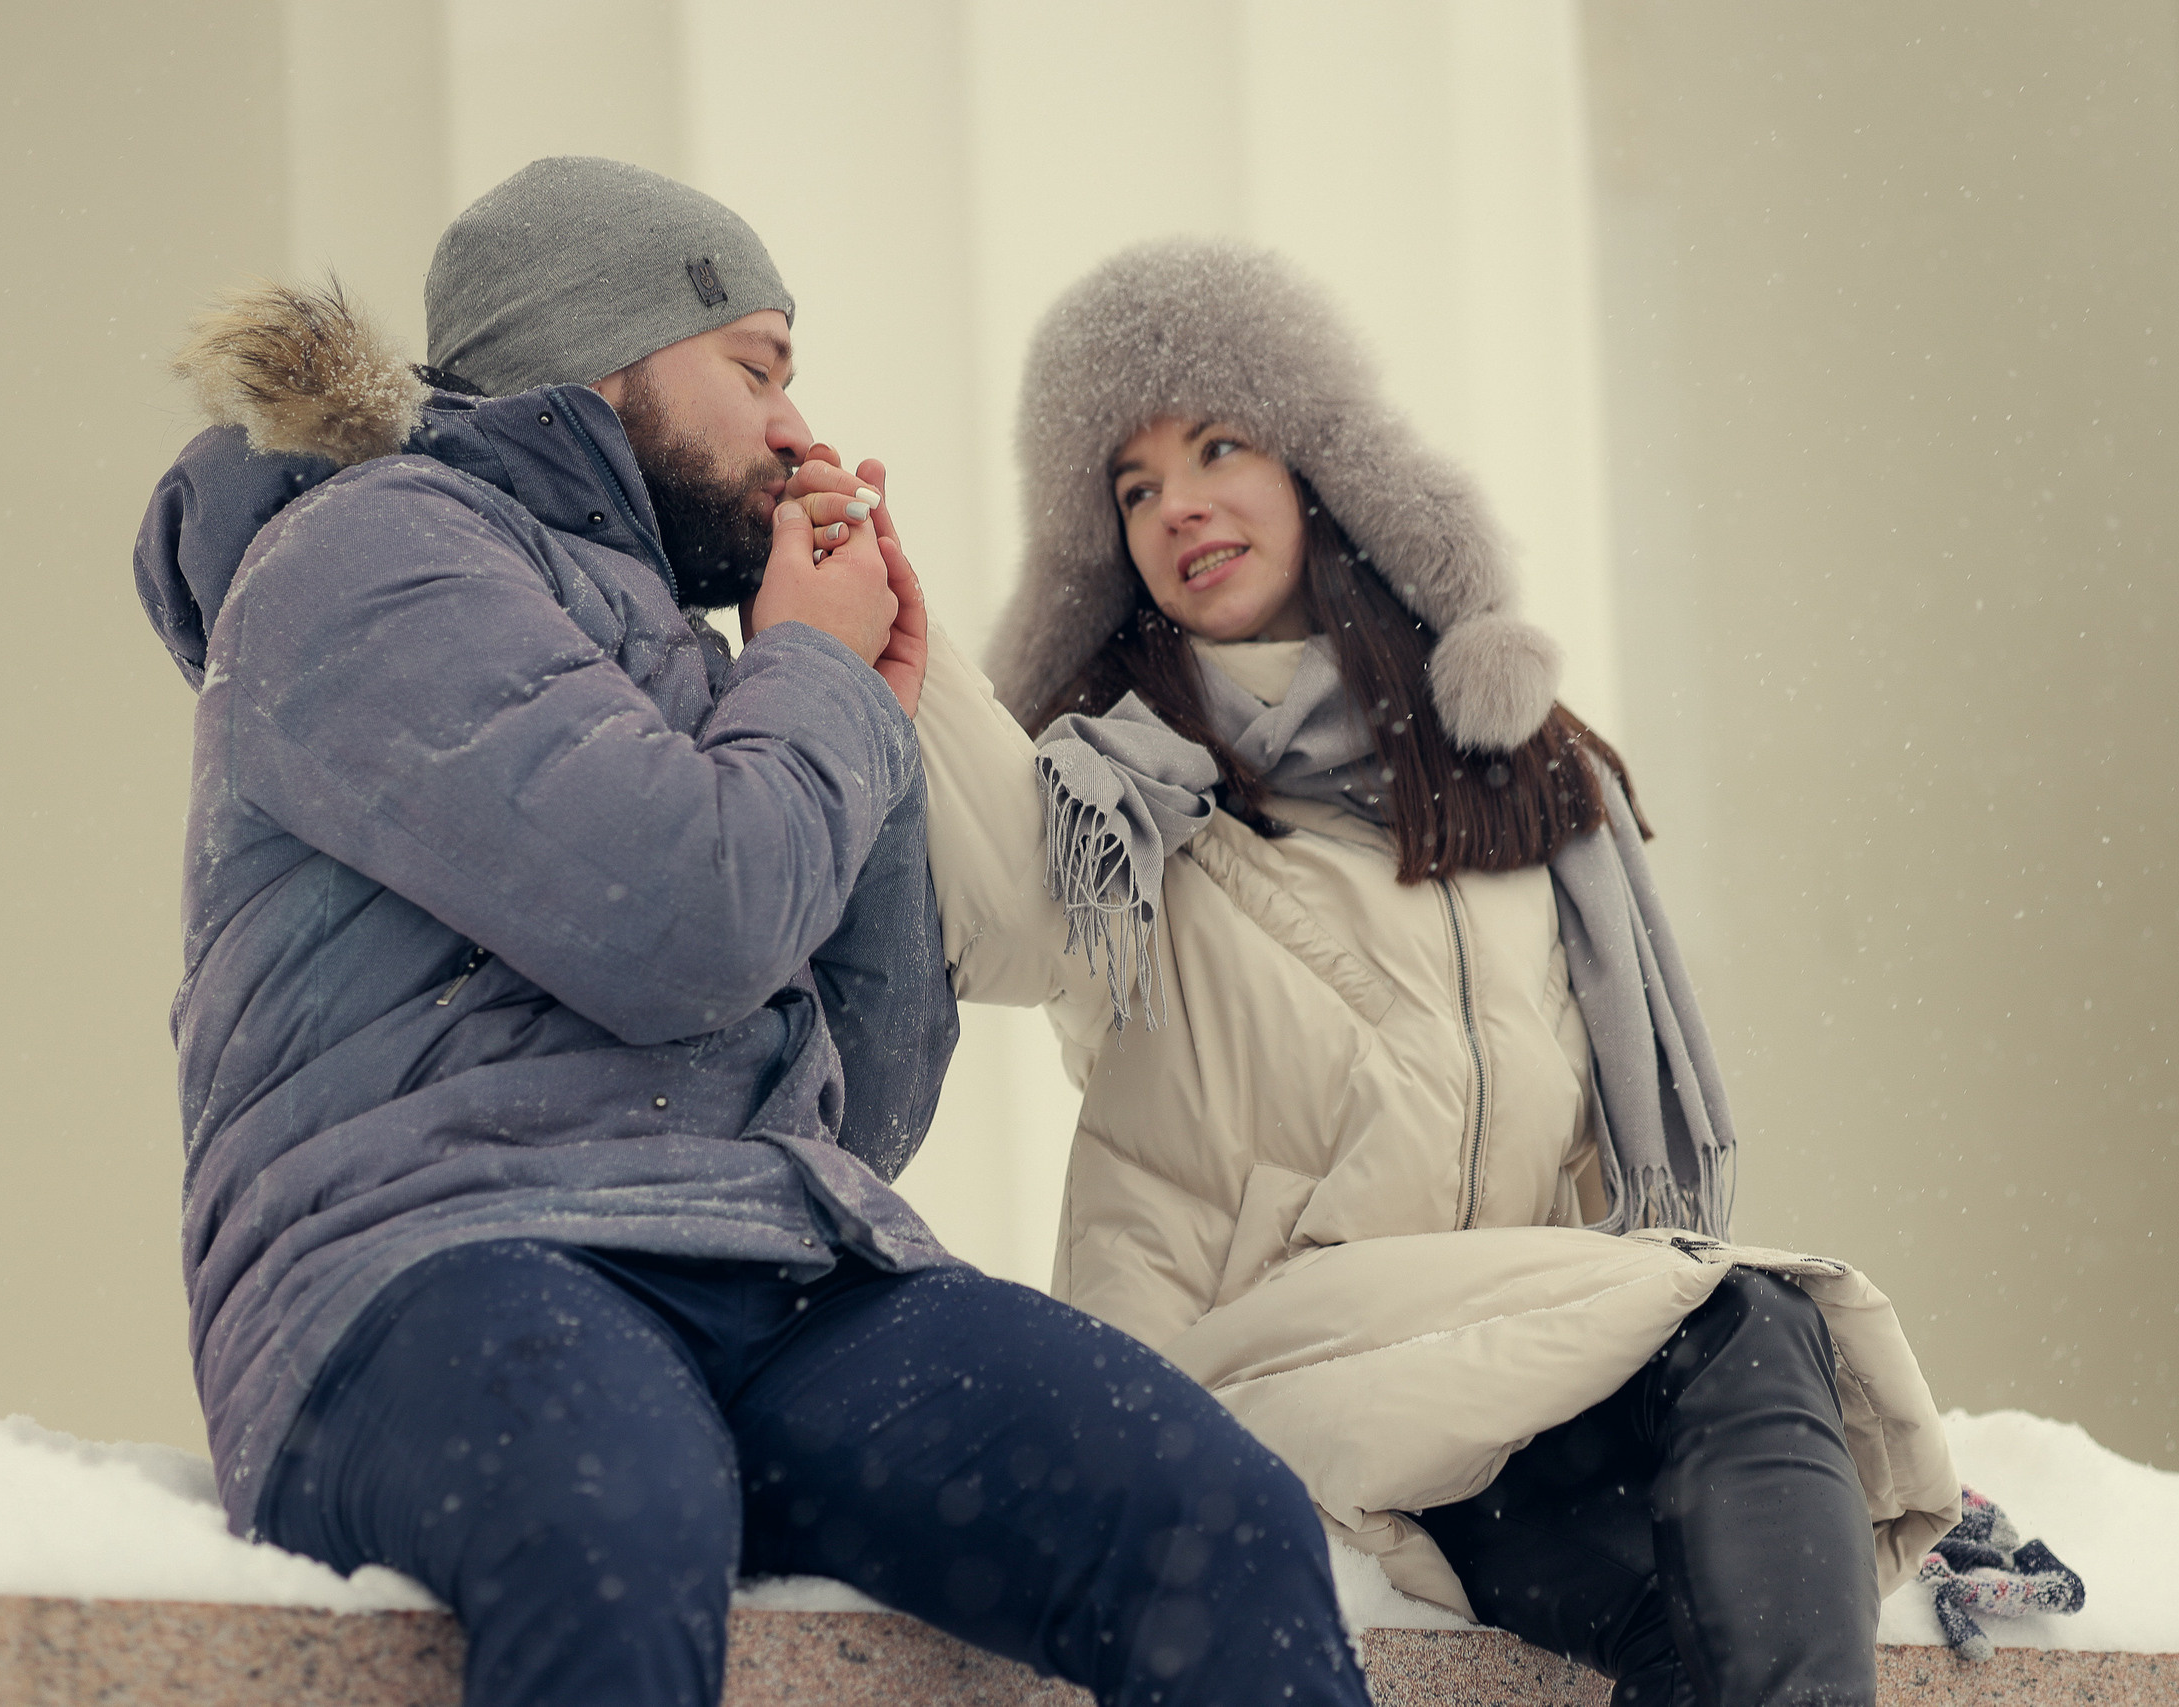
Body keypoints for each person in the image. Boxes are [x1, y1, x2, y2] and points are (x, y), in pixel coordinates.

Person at [129, 161, 1370, 1707]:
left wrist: (873, 725)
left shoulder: (703, 663)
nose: (796, 428)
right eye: (758, 368)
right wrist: (817, 676)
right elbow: (690, 925)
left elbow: (867, 1105)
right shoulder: (366, 559)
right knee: (614, 1506)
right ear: (604, 354)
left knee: (1203, 1514)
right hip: (423, 1266)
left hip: (765, 1271)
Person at [910, 240, 1963, 1707]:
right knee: (1750, 1315)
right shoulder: (1118, 796)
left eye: (1217, 447)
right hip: (1257, 1370)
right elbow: (994, 906)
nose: (1179, 505)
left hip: (1495, 1385)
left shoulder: (1519, 793)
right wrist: (891, 653)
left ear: (1324, 469)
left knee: (1705, 1624)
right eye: (1133, 488)